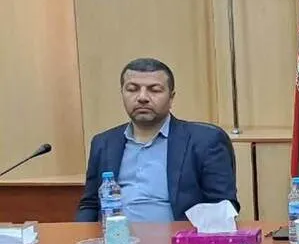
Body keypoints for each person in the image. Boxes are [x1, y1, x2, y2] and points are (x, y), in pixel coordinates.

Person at [76, 58, 237, 222]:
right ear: (122, 94)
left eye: (154, 90)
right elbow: (90, 205)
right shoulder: (104, 143)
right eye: (132, 89)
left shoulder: (204, 141)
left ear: (171, 98)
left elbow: (222, 206)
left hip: (178, 237)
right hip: (115, 236)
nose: (142, 97)